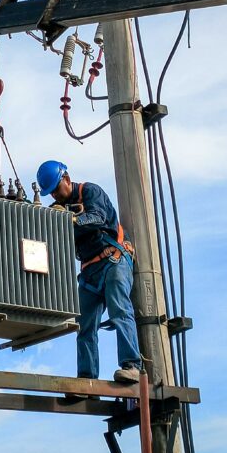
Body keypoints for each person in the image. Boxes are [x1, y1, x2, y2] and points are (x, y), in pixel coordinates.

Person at [37, 160, 143, 384]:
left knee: (120, 310)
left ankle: (132, 365)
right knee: (84, 325)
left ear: (67, 179)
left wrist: (70, 218)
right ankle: (87, 378)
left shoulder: (90, 191)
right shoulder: (59, 209)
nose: (55, 195)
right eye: (51, 193)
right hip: (89, 272)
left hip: (113, 261)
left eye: (56, 189)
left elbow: (97, 217)